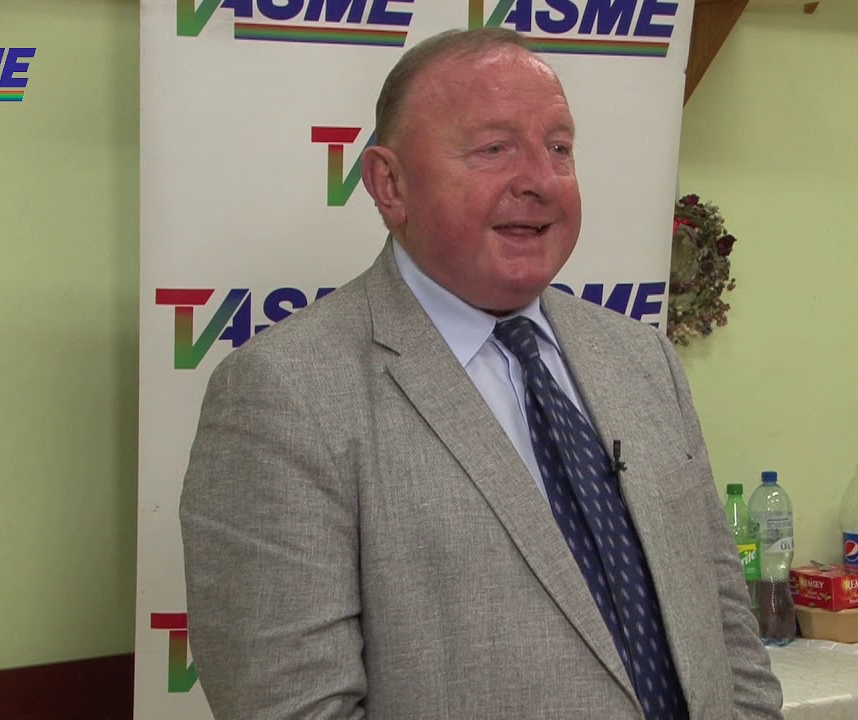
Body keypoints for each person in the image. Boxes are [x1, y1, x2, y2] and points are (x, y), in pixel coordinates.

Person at [180, 27, 783, 720]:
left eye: (559, 148)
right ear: (389, 183)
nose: (538, 180)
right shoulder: (286, 394)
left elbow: (726, 632)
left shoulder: (642, 359)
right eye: (494, 149)